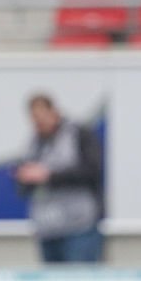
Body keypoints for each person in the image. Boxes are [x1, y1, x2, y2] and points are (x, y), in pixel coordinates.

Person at [15, 94, 105, 263]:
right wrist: (24, 178)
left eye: (42, 117)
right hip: (47, 228)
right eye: (35, 119)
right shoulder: (32, 145)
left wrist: (49, 175)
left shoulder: (78, 135)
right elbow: (22, 185)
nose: (39, 123)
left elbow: (93, 170)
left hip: (79, 227)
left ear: (54, 112)